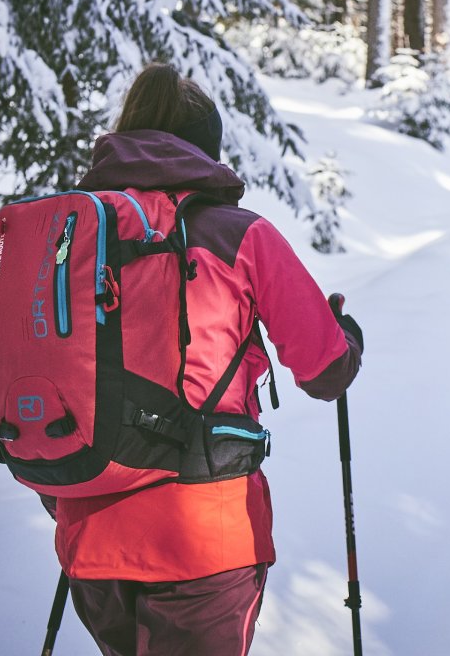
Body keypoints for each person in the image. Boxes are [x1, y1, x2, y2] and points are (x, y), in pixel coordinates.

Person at [48, 63, 364, 655]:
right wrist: (345, 333)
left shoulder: (72, 239)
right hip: (204, 539)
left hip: (89, 536)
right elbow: (325, 372)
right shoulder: (239, 235)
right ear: (204, 153)